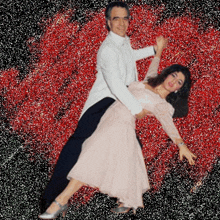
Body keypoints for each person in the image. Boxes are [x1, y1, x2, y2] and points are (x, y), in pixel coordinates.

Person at [39, 36, 196, 219]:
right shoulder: (150, 80)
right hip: (107, 116)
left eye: (179, 82)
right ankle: (126, 196)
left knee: (91, 158)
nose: (174, 81)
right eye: (174, 75)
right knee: (96, 157)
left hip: (120, 124)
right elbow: (154, 64)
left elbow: (168, 124)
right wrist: (159, 50)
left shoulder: (163, 105)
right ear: (167, 74)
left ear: (179, 89)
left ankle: (60, 201)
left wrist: (181, 144)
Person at [40, 1, 158, 211]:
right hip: (104, 103)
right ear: (107, 22)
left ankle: (126, 198)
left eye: (125, 18)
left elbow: (130, 57)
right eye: (116, 18)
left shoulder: (123, 42)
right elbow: (115, 86)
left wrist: (153, 49)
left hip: (119, 104)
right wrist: (136, 108)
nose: (121, 23)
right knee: (77, 149)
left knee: (132, 148)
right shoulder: (108, 50)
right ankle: (51, 199)